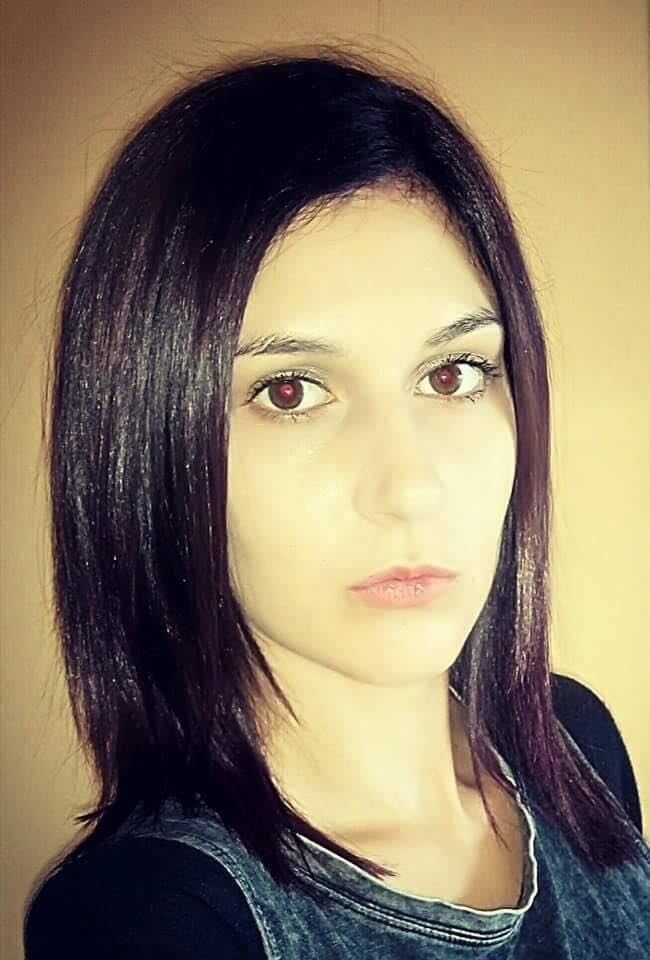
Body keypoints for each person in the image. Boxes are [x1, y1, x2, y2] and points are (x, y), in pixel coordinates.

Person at [23, 46, 649, 958]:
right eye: (291, 392)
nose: (411, 485)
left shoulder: (575, 741)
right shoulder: (156, 921)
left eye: (453, 372)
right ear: (154, 448)